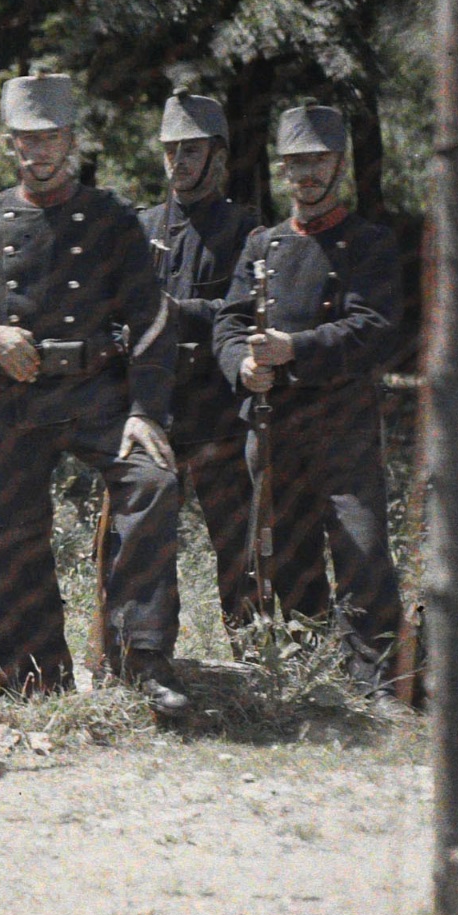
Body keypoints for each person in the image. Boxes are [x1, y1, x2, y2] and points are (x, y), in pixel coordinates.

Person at [0, 71, 189, 715]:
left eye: (49, 139)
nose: (37, 152)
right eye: (24, 140)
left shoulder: (111, 218)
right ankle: (35, 681)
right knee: (9, 529)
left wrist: (144, 412)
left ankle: (141, 660)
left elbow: (153, 318)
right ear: (8, 144)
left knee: (150, 482)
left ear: (71, 140)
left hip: (96, 392)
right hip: (10, 400)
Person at [214, 103, 403, 696]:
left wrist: (292, 348)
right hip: (272, 425)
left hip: (342, 425)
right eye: (296, 162)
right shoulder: (261, 244)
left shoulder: (368, 243)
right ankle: (308, 679)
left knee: (363, 551)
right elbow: (228, 321)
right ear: (281, 169)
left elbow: (374, 328)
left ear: (340, 164)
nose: (307, 174)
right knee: (288, 556)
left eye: (318, 160)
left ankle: (376, 687)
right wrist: (244, 366)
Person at [138, 91, 263, 632]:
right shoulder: (139, 226)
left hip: (216, 409)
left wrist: (174, 310)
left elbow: (241, 313)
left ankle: (256, 656)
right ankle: (138, 655)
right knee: (140, 540)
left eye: (192, 150)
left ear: (219, 156)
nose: (179, 162)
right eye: (171, 151)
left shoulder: (246, 230)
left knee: (236, 543)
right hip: (153, 407)